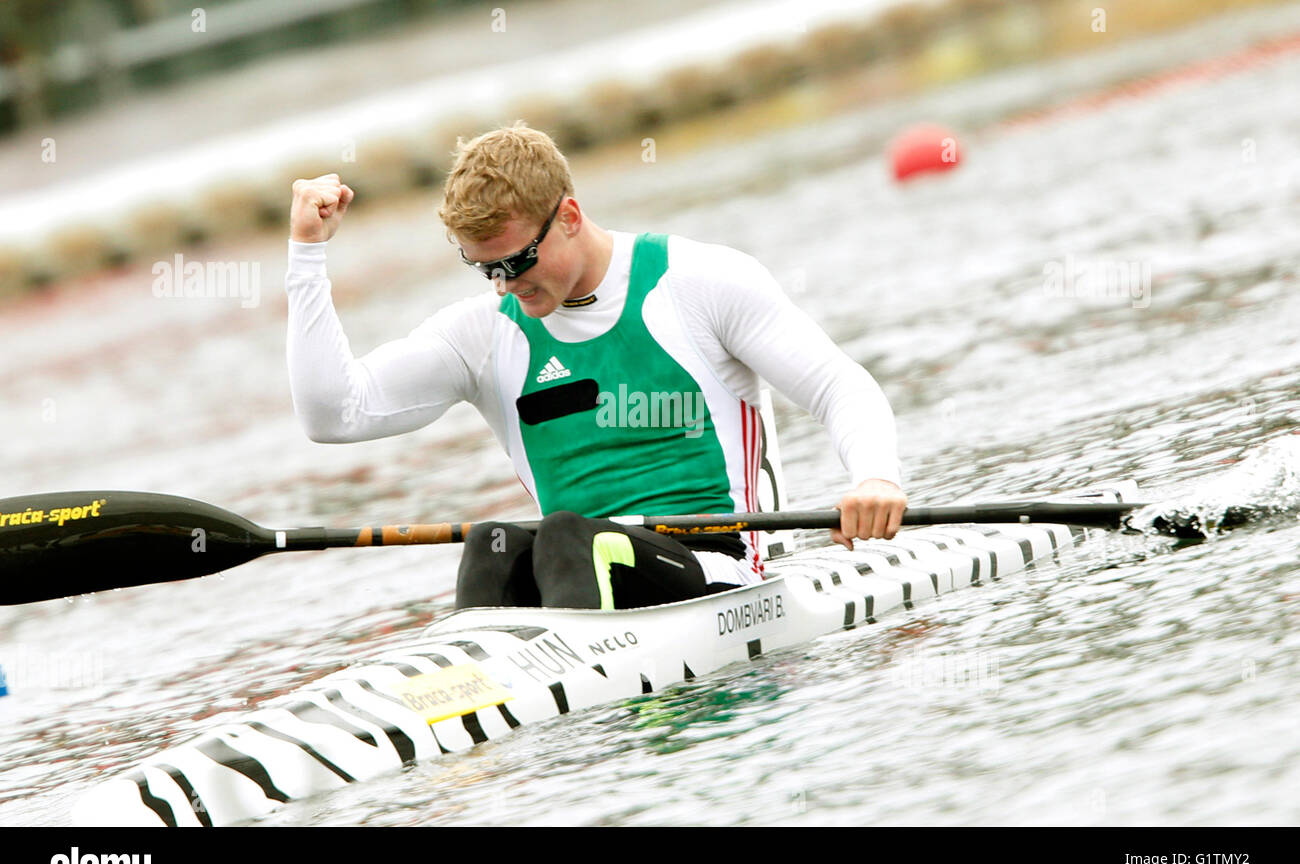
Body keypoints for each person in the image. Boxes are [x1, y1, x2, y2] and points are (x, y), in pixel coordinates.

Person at [286, 122, 906, 611]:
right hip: (580, 571)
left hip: (724, 567)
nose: (504, 287)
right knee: (492, 546)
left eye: (516, 262)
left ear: (571, 218)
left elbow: (837, 386)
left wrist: (875, 477)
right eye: (485, 270)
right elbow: (333, 414)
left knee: (565, 537)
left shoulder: (699, 283)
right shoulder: (482, 333)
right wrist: (306, 256)